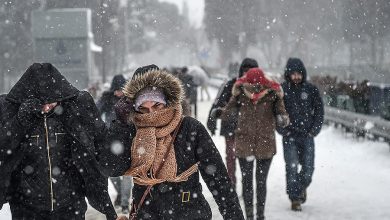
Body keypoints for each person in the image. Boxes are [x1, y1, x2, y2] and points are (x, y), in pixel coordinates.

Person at [104, 68, 244, 220]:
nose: (152, 114)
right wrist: (120, 125)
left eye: (157, 106)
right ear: (135, 108)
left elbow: (219, 180)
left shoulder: (190, 128)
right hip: (147, 214)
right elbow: (112, 168)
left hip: (190, 213)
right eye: (144, 109)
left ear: (167, 101)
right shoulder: (132, 130)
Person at [0, 63, 117, 220]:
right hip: (26, 207)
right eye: (42, 103)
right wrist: (20, 122)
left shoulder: (73, 113)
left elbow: (100, 143)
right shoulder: (14, 114)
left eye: (52, 101)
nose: (47, 107)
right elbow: (4, 148)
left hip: (70, 205)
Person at [222, 67, 290, 220]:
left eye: (257, 85)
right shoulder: (240, 94)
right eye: (251, 85)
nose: (254, 89)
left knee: (260, 183)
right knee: (248, 183)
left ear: (264, 83)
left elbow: (282, 112)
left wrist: (282, 118)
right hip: (244, 144)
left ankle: (260, 216)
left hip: (265, 144)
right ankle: (250, 216)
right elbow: (228, 111)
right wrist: (222, 113)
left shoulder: (273, 95)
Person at [276, 58, 324, 211]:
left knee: (308, 169)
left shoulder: (311, 89)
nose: (296, 76)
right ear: (288, 74)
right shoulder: (282, 90)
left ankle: (301, 187)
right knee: (291, 167)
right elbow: (276, 112)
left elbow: (319, 111)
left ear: (303, 73)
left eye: (299, 74)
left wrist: (314, 130)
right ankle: (295, 198)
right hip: (290, 136)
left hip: (307, 136)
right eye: (293, 74)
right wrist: (284, 130)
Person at [207, 58, 259, 189]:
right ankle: (231, 185)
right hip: (231, 127)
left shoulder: (259, 88)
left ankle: (246, 185)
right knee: (231, 157)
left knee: (246, 160)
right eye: (245, 70)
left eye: (250, 71)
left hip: (249, 130)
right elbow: (218, 103)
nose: (247, 74)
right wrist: (212, 120)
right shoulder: (231, 84)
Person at [97, 74, 133, 214]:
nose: (119, 92)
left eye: (121, 89)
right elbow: (95, 112)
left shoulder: (130, 100)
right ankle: (120, 194)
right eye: (117, 89)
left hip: (127, 140)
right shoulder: (106, 98)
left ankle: (125, 203)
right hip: (109, 140)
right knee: (110, 172)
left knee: (126, 173)